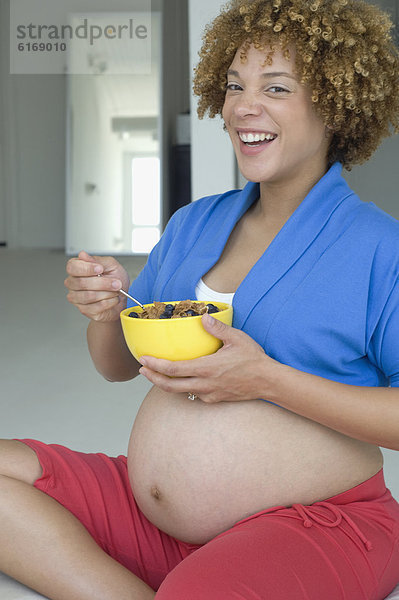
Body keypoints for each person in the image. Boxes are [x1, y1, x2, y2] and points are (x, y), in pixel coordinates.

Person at [1, 0, 399, 597]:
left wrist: (266, 379)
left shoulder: (377, 247)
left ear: (335, 104)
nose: (244, 106)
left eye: (277, 87)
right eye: (235, 85)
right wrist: (106, 313)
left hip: (317, 524)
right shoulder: (193, 224)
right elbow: (118, 366)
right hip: (156, 520)